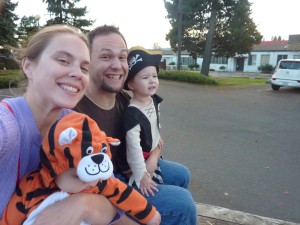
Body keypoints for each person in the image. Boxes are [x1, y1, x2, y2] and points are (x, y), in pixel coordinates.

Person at [74, 24, 197, 225]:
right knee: (182, 205)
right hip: (105, 187)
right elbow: (83, 186)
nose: (117, 65)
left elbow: (156, 137)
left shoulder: (126, 100)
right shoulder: (77, 112)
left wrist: (152, 160)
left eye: (122, 57)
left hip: (130, 168)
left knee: (181, 174)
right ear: (87, 63)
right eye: (106, 57)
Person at [0, 24, 122, 225]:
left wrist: (83, 204)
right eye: (63, 60)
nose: (77, 73)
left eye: (84, 68)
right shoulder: (7, 124)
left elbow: (113, 203)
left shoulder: (77, 124)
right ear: (28, 67)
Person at [1, 112, 160, 225]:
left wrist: (150, 215)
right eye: (78, 177)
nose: (90, 183)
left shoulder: (98, 182)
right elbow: (10, 218)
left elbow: (125, 194)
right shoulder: (31, 186)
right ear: (55, 169)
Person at [122, 46, 164, 197]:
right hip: (141, 161)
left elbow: (156, 119)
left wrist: (158, 135)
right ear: (131, 85)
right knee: (152, 189)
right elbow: (133, 149)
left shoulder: (152, 99)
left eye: (155, 76)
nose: (152, 80)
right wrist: (142, 176)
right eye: (145, 78)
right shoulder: (132, 114)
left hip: (153, 152)